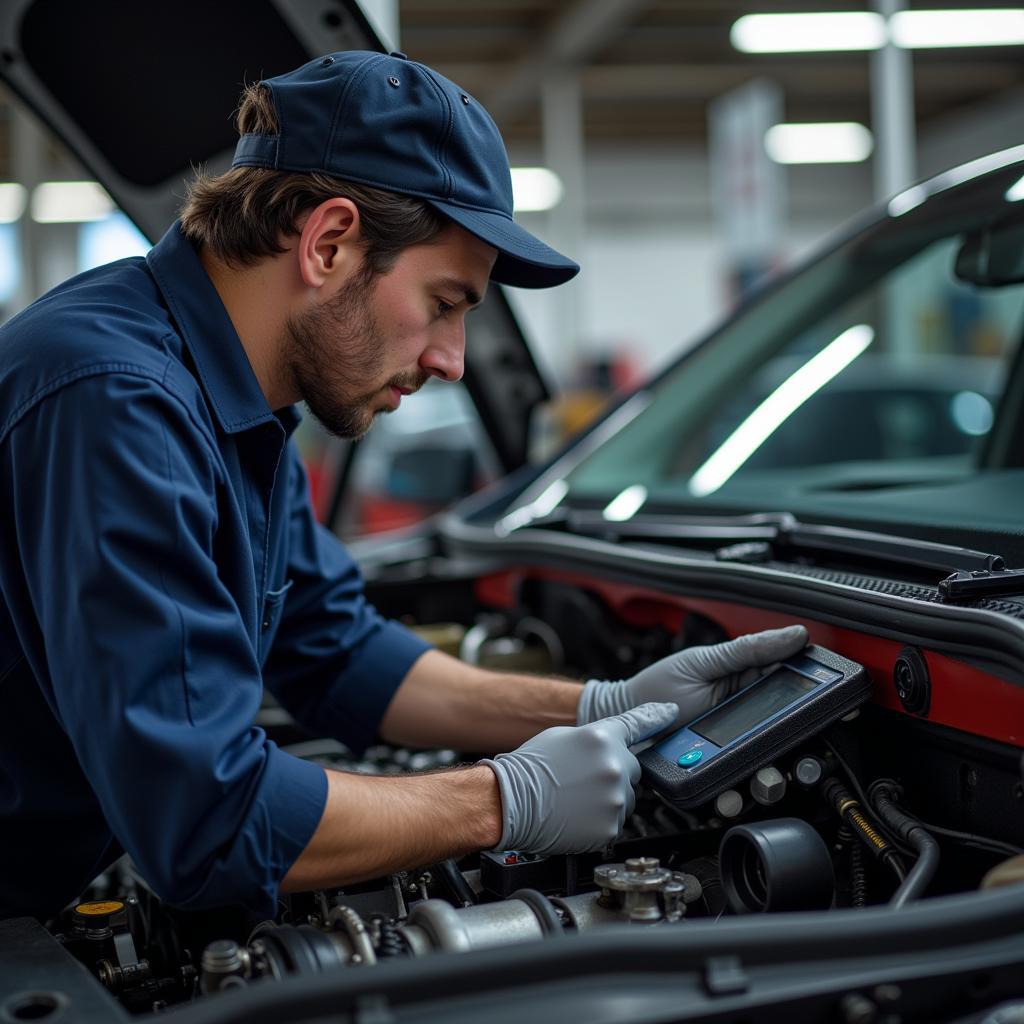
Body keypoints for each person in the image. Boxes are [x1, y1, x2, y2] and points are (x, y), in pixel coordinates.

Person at [0, 50, 807, 921]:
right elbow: (212, 821)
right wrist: (505, 800)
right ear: (330, 242)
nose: (452, 362)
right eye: (445, 302)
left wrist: (601, 704)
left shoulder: (231, 398)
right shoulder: (115, 400)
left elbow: (338, 650)